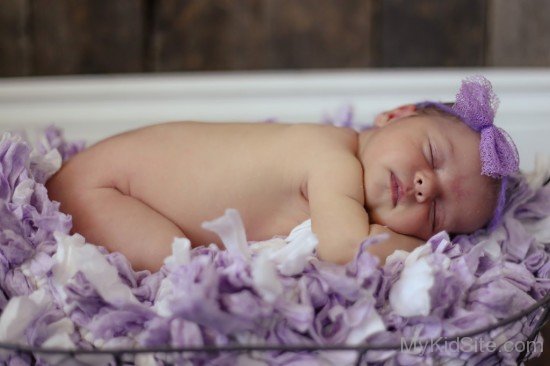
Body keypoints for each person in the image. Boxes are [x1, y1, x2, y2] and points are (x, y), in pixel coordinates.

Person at [45, 76, 519, 272]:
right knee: (175, 266)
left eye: (436, 213)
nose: (424, 185)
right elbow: (344, 248)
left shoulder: (335, 153)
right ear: (393, 115)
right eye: (432, 155)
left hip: (109, 176)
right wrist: (425, 250)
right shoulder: (333, 162)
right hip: (105, 191)